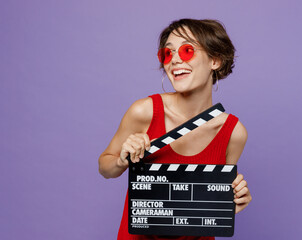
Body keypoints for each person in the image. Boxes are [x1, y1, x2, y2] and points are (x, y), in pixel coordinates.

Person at [98, 18, 252, 240]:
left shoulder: (234, 133)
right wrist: (122, 160)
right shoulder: (145, 111)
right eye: (167, 54)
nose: (175, 60)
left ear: (215, 60)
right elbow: (105, 167)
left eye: (187, 50)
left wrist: (234, 199)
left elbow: (212, 200)